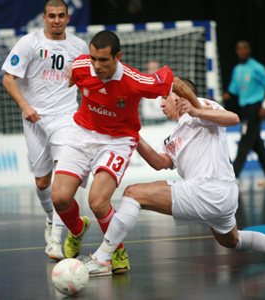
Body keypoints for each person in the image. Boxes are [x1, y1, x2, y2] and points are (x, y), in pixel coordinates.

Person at [83, 78, 265, 276]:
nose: (161, 103)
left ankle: (103, 257)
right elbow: (159, 162)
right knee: (231, 240)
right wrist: (133, 134)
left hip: (208, 190)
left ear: (179, 96)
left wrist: (195, 109)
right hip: (224, 198)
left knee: (133, 193)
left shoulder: (202, 107)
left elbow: (233, 118)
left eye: (164, 98)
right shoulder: (175, 133)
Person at [51, 30, 201, 274]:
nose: (96, 66)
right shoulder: (81, 66)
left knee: (98, 202)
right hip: (82, 134)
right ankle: (78, 229)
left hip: (117, 140)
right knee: (58, 198)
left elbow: (176, 83)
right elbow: (73, 75)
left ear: (117, 57)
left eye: (103, 60)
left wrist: (199, 108)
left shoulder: (135, 80)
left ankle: (115, 251)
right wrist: (71, 76)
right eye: (93, 59)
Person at [2, 0, 89, 260]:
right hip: (35, 119)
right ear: (43, 18)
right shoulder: (29, 43)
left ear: (68, 17)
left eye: (61, 15)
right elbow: (8, 78)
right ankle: (52, 218)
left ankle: (55, 241)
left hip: (65, 118)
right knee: (42, 182)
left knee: (62, 181)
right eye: (51, 16)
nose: (56, 20)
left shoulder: (79, 46)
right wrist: (25, 106)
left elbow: (87, 82)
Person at [223, 40, 265, 186]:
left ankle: (233, 177)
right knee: (256, 143)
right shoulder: (237, 69)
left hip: (256, 107)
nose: (241, 52)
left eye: (244, 49)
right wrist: (217, 97)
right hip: (245, 109)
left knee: (245, 141)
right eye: (238, 49)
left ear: (249, 50)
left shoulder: (256, 67)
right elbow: (233, 91)